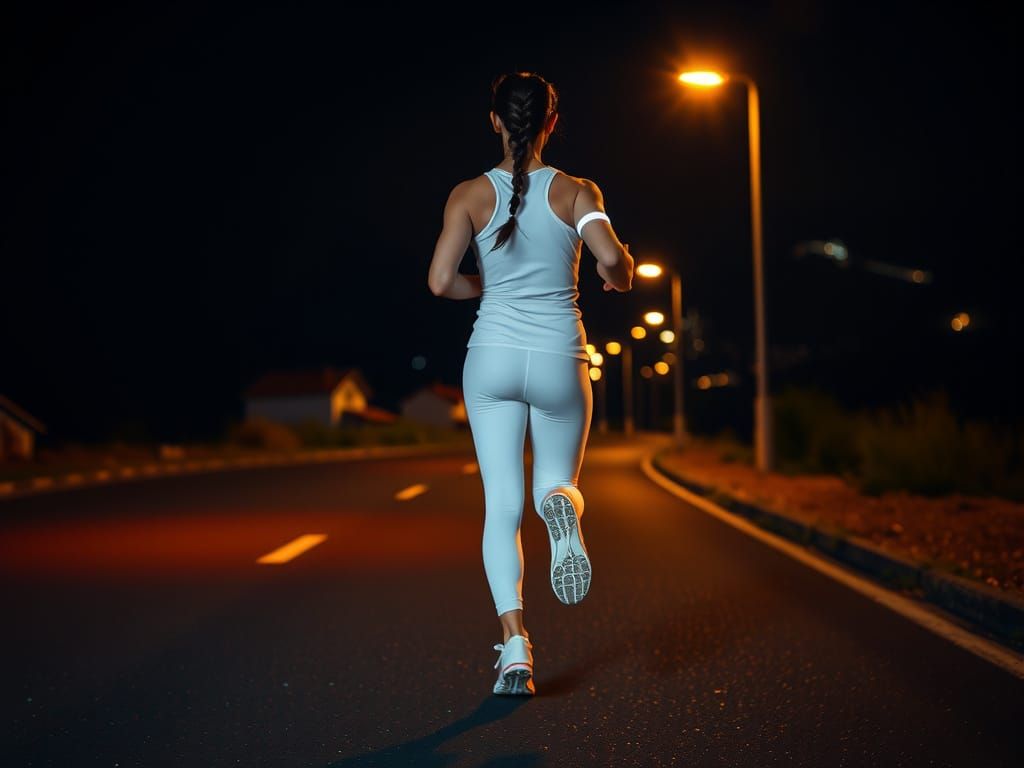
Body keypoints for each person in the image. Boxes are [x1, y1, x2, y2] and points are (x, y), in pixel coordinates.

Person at [427, 71, 634, 696]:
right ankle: (563, 509)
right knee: (557, 482)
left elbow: (439, 282)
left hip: (489, 356)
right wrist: (618, 274)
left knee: (501, 507)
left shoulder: (468, 195)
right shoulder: (576, 191)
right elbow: (613, 262)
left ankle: (515, 645)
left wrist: (486, 288)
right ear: (550, 121)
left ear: (495, 122)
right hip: (559, 356)